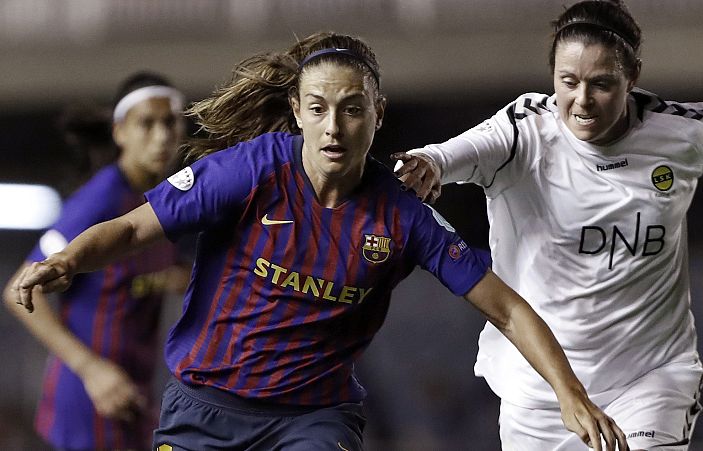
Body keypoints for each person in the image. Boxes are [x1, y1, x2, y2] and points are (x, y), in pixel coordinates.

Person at [8, 32, 629, 451]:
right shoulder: (250, 170)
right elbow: (131, 227)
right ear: (298, 110)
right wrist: (68, 260)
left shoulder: (402, 216)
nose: (334, 127)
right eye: (318, 108)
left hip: (312, 420)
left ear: (378, 112)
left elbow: (507, 307)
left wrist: (571, 394)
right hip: (203, 409)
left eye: (353, 109)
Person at [393, 0, 703, 449]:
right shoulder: (524, 132)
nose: (582, 100)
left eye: (602, 84)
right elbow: (450, 154)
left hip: (650, 378)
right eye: (568, 82)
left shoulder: (685, 131)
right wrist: (428, 164)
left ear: (632, 77)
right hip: (540, 392)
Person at [2, 71, 187, 450]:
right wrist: (91, 370)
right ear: (120, 132)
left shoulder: (162, 201)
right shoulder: (100, 200)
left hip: (133, 394)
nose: (161, 136)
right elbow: (18, 291)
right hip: (90, 399)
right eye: (147, 123)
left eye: (170, 122)